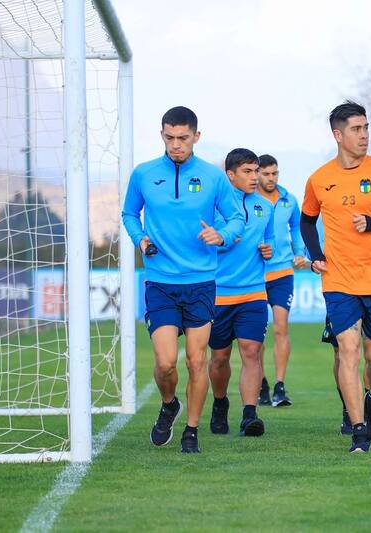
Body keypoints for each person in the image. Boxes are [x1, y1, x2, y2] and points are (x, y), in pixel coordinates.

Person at [121, 106, 244, 453]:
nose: (176, 144)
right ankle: (169, 403)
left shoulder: (213, 176)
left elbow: (236, 219)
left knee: (196, 359)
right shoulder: (144, 174)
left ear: (196, 137)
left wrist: (221, 235)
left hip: (201, 282)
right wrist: (140, 238)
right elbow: (130, 213)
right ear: (162, 135)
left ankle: (190, 430)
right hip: (160, 282)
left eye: (183, 138)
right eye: (170, 137)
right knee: (164, 363)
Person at [300, 101, 371, 453]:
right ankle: (359, 430)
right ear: (338, 134)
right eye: (356, 129)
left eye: (366, 128)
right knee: (347, 353)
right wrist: (316, 255)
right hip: (338, 282)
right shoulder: (319, 179)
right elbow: (307, 221)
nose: (364, 135)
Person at [207, 148, 274, 437]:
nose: (255, 177)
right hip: (218, 295)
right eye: (247, 171)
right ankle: (220, 404)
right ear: (230, 175)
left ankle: (250, 415)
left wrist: (267, 250)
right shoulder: (214, 207)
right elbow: (205, 244)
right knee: (220, 357)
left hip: (254, 293)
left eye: (256, 170)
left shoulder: (265, 207)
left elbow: (268, 241)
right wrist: (224, 240)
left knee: (252, 352)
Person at [254, 154, 307, 408]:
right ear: (257, 174)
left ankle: (279, 385)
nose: (271, 178)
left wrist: (300, 253)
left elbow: (297, 227)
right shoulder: (249, 199)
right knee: (257, 333)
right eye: (266, 174)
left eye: (275, 173)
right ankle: (260, 383)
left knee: (280, 327)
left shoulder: (289, 199)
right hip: (253, 274)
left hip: (282, 272)